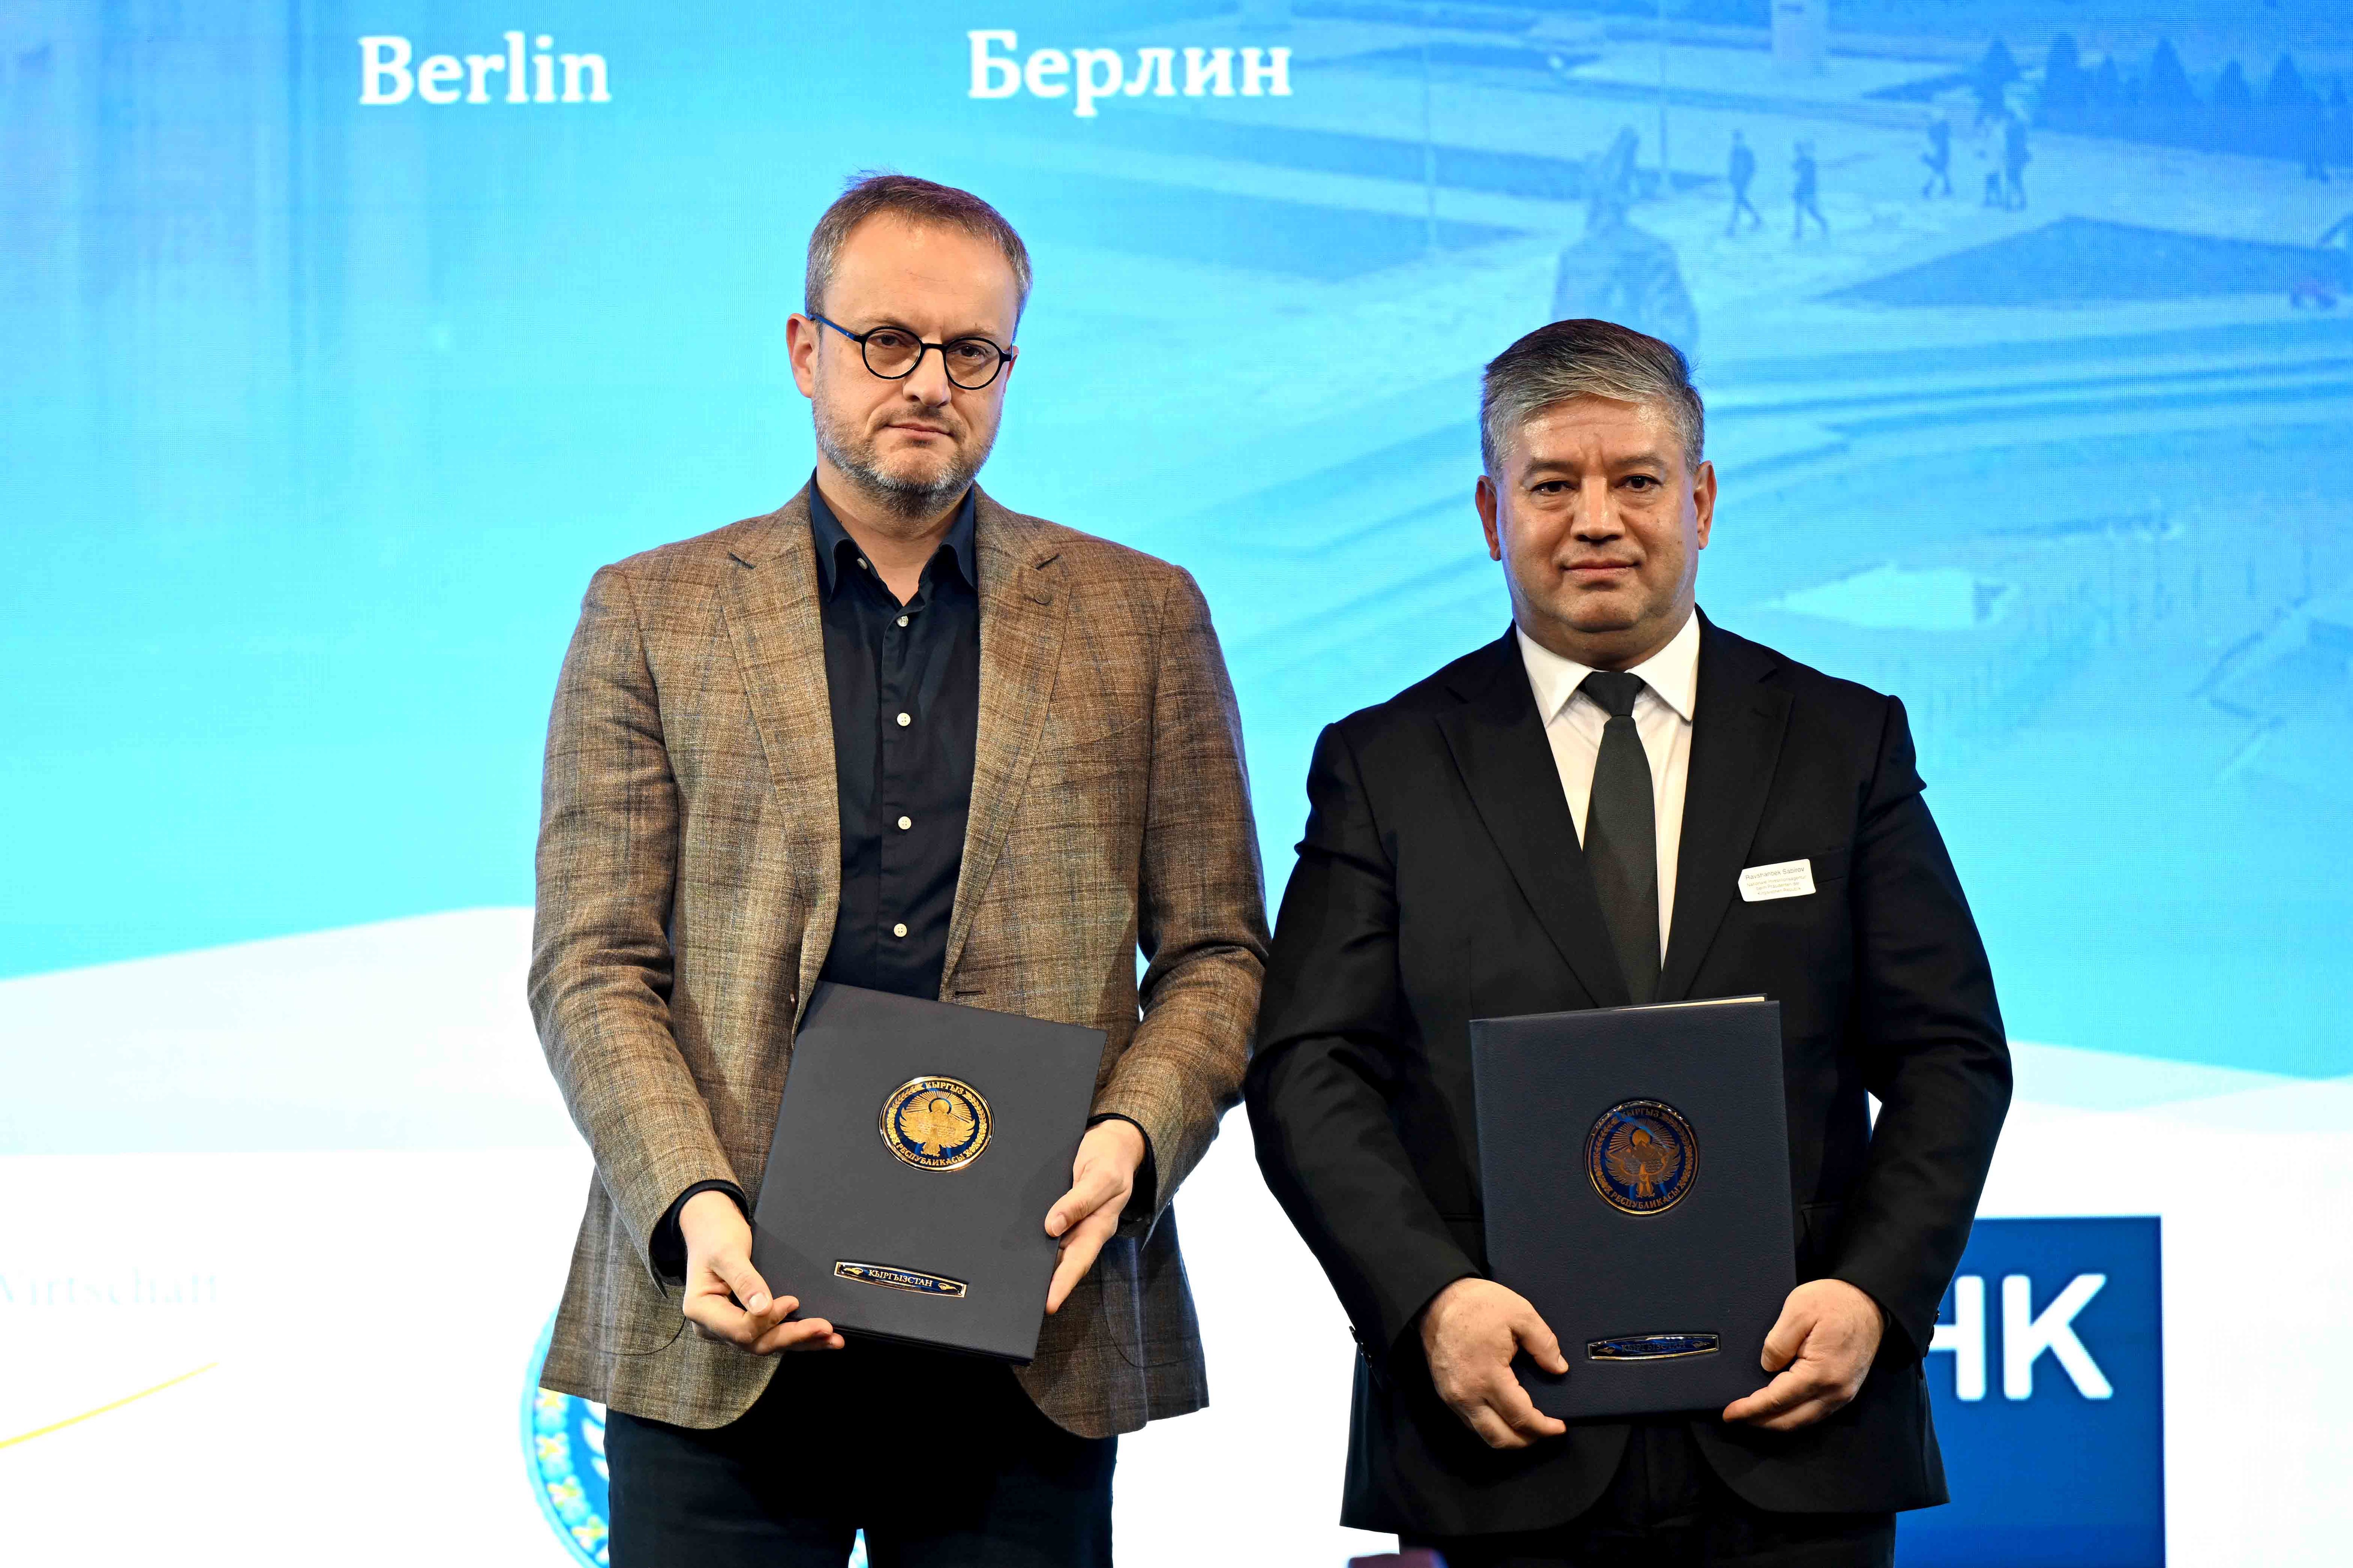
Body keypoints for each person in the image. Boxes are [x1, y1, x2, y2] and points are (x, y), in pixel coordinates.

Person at [529, 172, 1268, 1566]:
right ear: (803, 350)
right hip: (724, 1324)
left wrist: (1129, 1143)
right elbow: (591, 963)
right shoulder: (650, 611)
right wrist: (690, 1204)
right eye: (885, 341)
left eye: (971, 351)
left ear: (1007, 369)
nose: (928, 381)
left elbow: (1218, 952)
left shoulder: (1140, 616)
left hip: (1025, 1331)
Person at [1246, 318, 2010, 1567]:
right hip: (1503, 1433)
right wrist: (1427, 1300)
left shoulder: (1840, 741)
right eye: (1551, 484)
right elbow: (1305, 1071)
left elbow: (1949, 1055)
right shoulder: (1384, 764)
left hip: (1793, 1430)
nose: (1594, 520)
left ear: (1699, 501)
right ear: (1491, 513)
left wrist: (1875, 1294)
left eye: (1636, 481)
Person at [1726, 131, 1762, 234]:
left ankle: (1732, 226)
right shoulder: (1734, 152)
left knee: (1738, 200)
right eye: (1735, 139)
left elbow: (1752, 168)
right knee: (1740, 200)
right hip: (1736, 181)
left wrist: (1746, 179)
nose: (1737, 141)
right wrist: (1731, 178)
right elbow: (1732, 167)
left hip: (1743, 181)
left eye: (1738, 139)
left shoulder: (1747, 153)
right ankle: (1756, 218)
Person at [1791, 140, 1827, 240]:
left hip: (1809, 190)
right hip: (1800, 189)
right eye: (1797, 151)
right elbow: (1796, 171)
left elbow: (1809, 176)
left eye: (1800, 150)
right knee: (1798, 211)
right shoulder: (1799, 162)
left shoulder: (1810, 162)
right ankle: (1798, 232)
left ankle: (1824, 224)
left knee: (1812, 211)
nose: (1799, 153)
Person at [1919, 115, 1953, 198]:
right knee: (1940, 171)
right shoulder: (1943, 133)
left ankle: (1928, 188)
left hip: (1941, 154)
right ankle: (1947, 188)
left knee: (1938, 170)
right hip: (1942, 153)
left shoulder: (1940, 134)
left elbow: (1933, 137)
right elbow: (1933, 137)